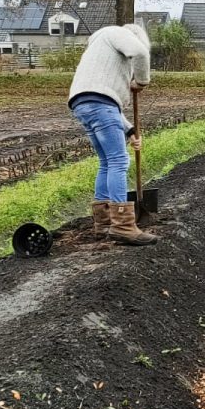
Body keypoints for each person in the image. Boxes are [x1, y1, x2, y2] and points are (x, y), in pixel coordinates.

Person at [68, 24, 158, 246]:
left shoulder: (99, 49)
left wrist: (130, 130)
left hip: (83, 104)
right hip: (100, 105)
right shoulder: (118, 33)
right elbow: (140, 53)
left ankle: (104, 222)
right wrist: (142, 81)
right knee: (118, 161)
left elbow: (108, 108)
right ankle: (124, 226)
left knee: (106, 162)